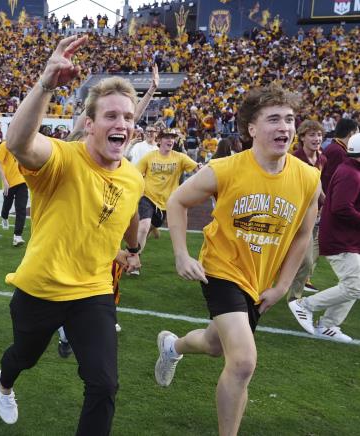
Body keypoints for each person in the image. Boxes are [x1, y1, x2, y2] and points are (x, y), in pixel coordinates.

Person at [0, 35, 143, 435]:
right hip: (40, 287)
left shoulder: (132, 177)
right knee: (22, 358)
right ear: (89, 125)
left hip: (92, 293)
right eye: (111, 116)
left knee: (104, 383)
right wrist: (46, 82)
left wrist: (129, 251)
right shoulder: (63, 157)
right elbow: (19, 143)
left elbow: (112, 218)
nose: (122, 124)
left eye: (128, 117)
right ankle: (5, 382)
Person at [154, 84, 320, 436]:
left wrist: (283, 286)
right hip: (221, 269)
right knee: (243, 362)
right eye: (274, 119)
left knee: (215, 346)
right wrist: (181, 254)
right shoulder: (225, 169)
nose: (285, 127)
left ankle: (172, 346)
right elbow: (177, 202)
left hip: (259, 281)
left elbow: (303, 234)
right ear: (252, 129)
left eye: (289, 119)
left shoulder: (308, 178)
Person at [288, 133, 360, 343]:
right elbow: (341, 208)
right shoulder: (351, 174)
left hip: (346, 238)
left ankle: (328, 325)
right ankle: (305, 306)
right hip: (340, 239)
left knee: (353, 284)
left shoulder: (352, 171)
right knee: (355, 286)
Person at [134, 128, 199, 271]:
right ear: (159, 140)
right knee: (144, 227)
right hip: (148, 197)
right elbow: (136, 174)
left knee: (148, 228)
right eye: (167, 137)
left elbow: (196, 168)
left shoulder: (180, 157)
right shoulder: (149, 157)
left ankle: (132, 245)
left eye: (172, 137)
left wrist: (203, 169)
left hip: (167, 203)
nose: (170, 140)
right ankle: (135, 260)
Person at [286, 120, 327, 302]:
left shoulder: (322, 158)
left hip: (308, 216)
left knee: (307, 261)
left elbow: (317, 185)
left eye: (319, 135)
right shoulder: (294, 159)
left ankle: (294, 298)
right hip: (291, 215)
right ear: (302, 137)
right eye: (311, 134)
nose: (316, 138)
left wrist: (325, 202)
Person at [0, 141, 28, 247]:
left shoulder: (24, 144)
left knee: (21, 208)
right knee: (7, 205)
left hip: (22, 182)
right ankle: (4, 216)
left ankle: (17, 236)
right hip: (8, 182)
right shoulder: (5, 145)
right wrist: (4, 180)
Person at [321, 118, 358, 192]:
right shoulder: (338, 152)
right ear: (351, 133)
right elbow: (329, 180)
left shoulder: (336, 147)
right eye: (358, 133)